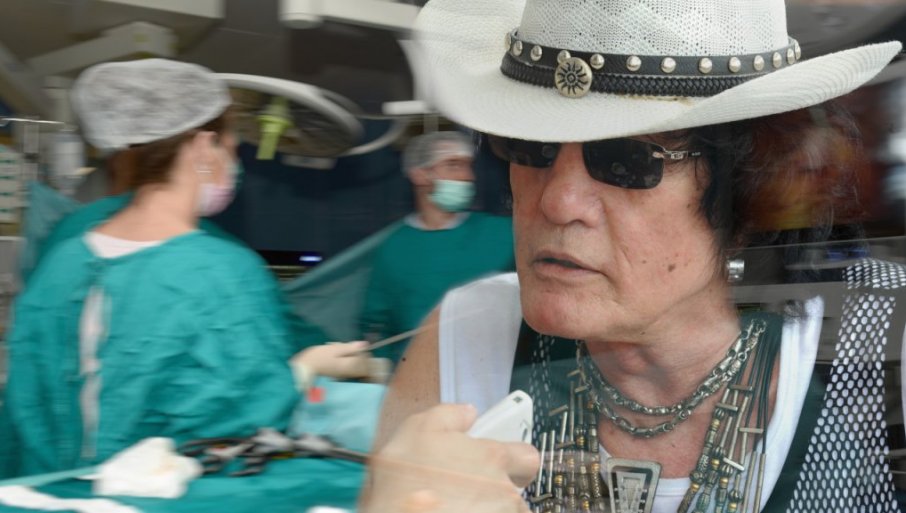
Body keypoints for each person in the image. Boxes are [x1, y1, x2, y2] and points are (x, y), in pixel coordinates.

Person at [362, 0, 904, 512]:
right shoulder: (465, 335)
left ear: (745, 188)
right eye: (531, 148)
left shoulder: (877, 338)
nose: (557, 202)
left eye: (627, 160)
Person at [0, 58, 369, 478]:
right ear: (203, 148)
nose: (233, 166)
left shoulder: (63, 262)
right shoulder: (221, 271)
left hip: (45, 496)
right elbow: (239, 429)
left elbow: (21, 412)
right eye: (231, 149)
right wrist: (306, 368)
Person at [359, 131, 514, 364]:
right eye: (453, 165)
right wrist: (379, 368)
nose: (467, 176)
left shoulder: (502, 233)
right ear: (420, 174)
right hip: (417, 374)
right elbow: (376, 325)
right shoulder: (395, 248)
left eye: (468, 166)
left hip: (495, 370)